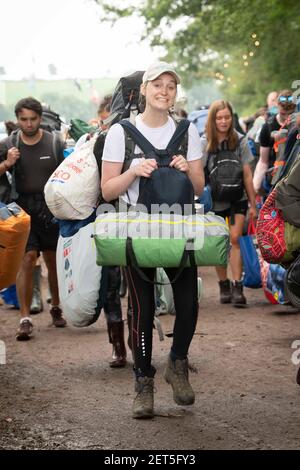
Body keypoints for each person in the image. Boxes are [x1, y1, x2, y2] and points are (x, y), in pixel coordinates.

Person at [101, 62, 204, 419]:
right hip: (138, 229)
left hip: (178, 227)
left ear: (176, 93)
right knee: (142, 309)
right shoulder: (121, 133)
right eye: (157, 84)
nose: (164, 90)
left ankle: (177, 362)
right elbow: (107, 188)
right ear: (143, 90)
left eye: (171, 86)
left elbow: (200, 187)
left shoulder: (189, 131)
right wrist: (133, 170)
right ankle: (143, 381)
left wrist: (186, 170)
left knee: (189, 303)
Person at [0, 97, 67, 340]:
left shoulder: (54, 143)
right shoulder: (9, 143)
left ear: (40, 118)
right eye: (23, 119)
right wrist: (7, 163)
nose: (28, 124)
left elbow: (68, 174)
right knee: (26, 260)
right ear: (17, 119)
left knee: (51, 260)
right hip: (21, 210)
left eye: (33, 119)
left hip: (49, 209)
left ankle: (57, 306)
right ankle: (25, 318)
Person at [200, 100, 257, 307]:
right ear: (213, 119)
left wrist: (253, 204)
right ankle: (223, 284)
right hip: (214, 200)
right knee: (219, 242)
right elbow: (198, 174)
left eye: (226, 117)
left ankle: (237, 286)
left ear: (231, 118)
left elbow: (248, 175)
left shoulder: (240, 140)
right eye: (219, 118)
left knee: (234, 239)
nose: (223, 121)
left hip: (237, 198)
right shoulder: (204, 142)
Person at [253, 89, 296, 194]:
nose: (286, 117)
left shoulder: (297, 124)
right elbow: (263, 161)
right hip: (274, 178)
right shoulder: (268, 126)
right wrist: (256, 184)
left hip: (294, 177)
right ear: (277, 105)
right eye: (283, 113)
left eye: (290, 113)